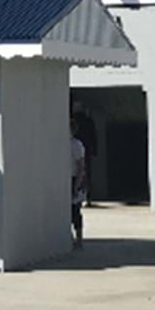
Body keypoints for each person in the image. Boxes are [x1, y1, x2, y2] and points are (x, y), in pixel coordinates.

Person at [72, 103, 98, 207]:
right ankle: (87, 197)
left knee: (76, 173)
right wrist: (94, 151)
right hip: (86, 150)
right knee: (87, 173)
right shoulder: (88, 121)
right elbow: (93, 136)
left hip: (75, 149)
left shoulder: (73, 120)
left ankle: (77, 195)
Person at [70, 116, 87, 248]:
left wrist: (77, 186)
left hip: (74, 178)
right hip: (67, 179)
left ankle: (79, 238)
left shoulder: (76, 145)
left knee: (75, 210)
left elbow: (81, 167)